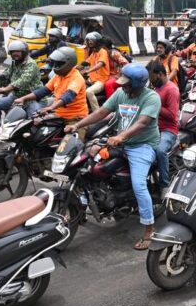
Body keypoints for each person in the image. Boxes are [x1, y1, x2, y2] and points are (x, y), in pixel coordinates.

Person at [65, 64, 161, 250]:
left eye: (126, 84)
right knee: (87, 164)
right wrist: (77, 125)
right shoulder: (120, 93)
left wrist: (121, 137)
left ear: (137, 84)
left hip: (142, 145)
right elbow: (101, 112)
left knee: (139, 185)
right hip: (120, 142)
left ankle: (149, 229)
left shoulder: (151, 98)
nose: (122, 86)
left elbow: (142, 123)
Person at [14, 47, 89, 133]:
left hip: (75, 118)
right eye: (55, 63)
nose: (56, 66)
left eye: (59, 63)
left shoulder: (76, 78)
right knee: (34, 130)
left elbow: (68, 96)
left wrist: (51, 107)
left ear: (69, 63)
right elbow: (43, 91)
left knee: (72, 141)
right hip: (58, 114)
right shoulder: (58, 75)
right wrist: (23, 98)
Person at [0, 40, 41, 138]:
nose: (15, 54)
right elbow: (6, 75)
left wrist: (5, 89)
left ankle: (31, 141)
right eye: (13, 52)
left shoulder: (31, 64)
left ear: (24, 52)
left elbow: (23, 80)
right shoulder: (14, 63)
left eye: (18, 51)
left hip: (31, 97)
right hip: (16, 96)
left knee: (33, 119)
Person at [148, 62, 180, 197]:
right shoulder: (156, 88)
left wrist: (155, 105)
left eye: (152, 78)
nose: (150, 81)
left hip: (168, 130)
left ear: (160, 74)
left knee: (161, 151)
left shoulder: (171, 90)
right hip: (154, 127)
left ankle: (164, 185)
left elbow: (172, 115)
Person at [79, 32, 110, 111]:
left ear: (97, 41)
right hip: (92, 79)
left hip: (101, 80)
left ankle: (97, 112)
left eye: (91, 40)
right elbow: (85, 63)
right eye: (88, 40)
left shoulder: (103, 51)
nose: (89, 42)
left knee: (89, 92)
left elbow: (100, 64)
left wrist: (88, 71)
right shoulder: (94, 52)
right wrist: (72, 68)